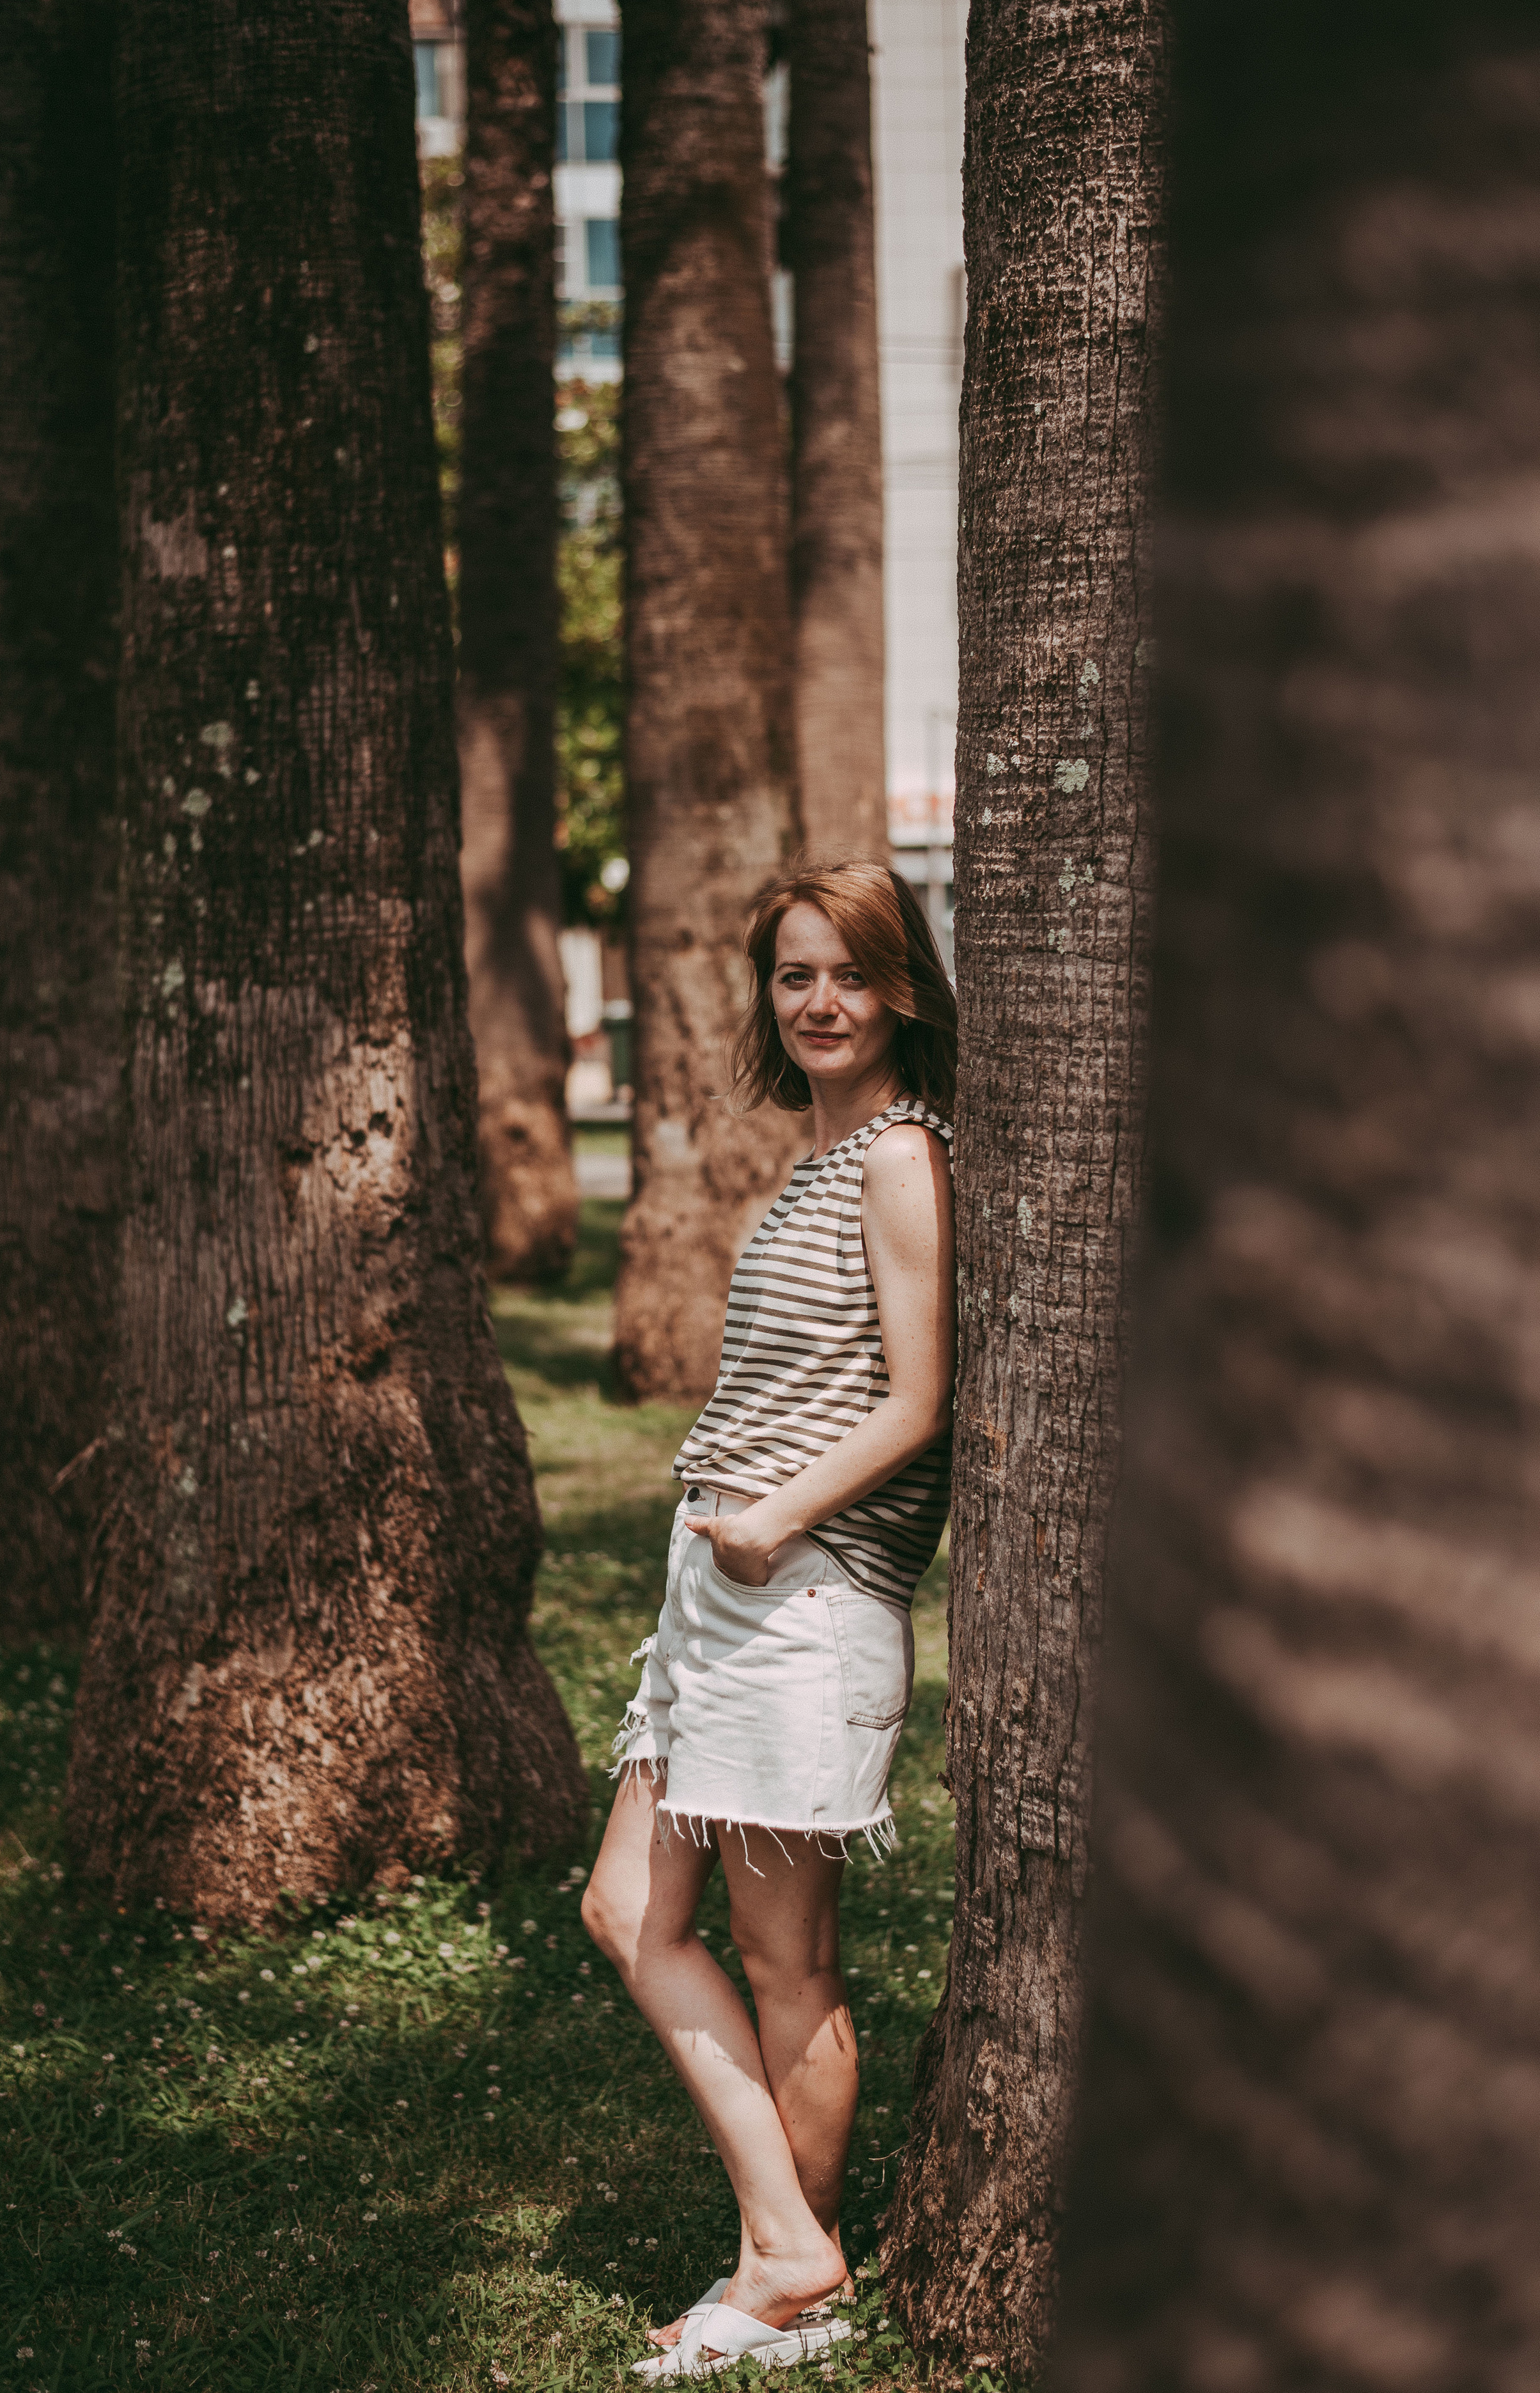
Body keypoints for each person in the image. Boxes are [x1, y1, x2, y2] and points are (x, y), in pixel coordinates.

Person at [580, 858, 956, 2380]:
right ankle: (791, 2248)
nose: (816, 1001)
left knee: (782, 1955)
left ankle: (788, 2266)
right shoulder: (821, 1154)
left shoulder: (902, 1160)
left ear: (901, 992)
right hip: (718, 1602)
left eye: (846, 974)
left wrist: (773, 1516)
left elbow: (918, 1400)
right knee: (627, 1911)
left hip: (801, 1597)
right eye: (793, 974)